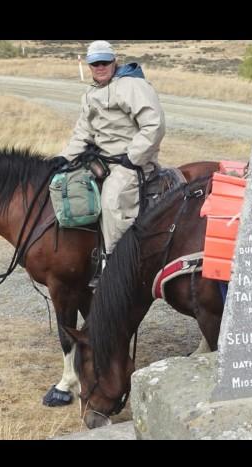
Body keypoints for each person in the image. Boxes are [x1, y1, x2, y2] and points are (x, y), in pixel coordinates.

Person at [57, 40, 166, 286]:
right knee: (70, 189)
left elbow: (154, 125)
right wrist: (64, 158)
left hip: (131, 162)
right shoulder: (90, 94)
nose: (100, 67)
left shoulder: (132, 86)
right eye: (95, 63)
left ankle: (117, 267)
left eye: (104, 61)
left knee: (112, 199)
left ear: (114, 61)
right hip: (100, 160)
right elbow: (82, 133)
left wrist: (133, 159)